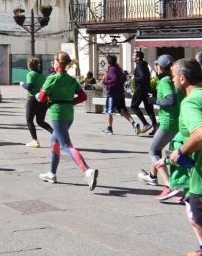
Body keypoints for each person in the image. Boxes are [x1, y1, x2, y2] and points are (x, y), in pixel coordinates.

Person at [169, 58, 202, 256]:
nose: (172, 80)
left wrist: (181, 151)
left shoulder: (191, 101)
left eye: (173, 76)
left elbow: (201, 134)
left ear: (182, 79)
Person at [36, 50, 98, 190]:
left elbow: (41, 98)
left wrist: (37, 95)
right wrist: (69, 103)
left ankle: (87, 171)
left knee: (66, 146)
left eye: (54, 60)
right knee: (54, 141)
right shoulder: (71, 80)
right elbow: (83, 97)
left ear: (58, 63)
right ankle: (51, 173)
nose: (53, 62)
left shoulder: (52, 78)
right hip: (69, 114)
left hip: (57, 114)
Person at [138, 54, 181, 200]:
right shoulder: (173, 79)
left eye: (156, 65)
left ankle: (169, 184)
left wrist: (154, 100)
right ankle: (152, 176)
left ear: (160, 67)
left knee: (153, 151)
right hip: (176, 122)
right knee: (160, 149)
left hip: (168, 122)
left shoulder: (164, 81)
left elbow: (170, 100)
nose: (155, 67)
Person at [100, 55, 142, 135]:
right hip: (120, 94)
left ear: (108, 62)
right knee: (122, 111)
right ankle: (134, 124)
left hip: (112, 94)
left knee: (109, 111)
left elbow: (113, 79)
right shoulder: (118, 69)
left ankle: (109, 128)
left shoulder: (112, 70)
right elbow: (122, 78)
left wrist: (105, 82)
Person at [23, 57, 53, 148]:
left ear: (29, 65)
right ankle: (56, 134)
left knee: (29, 120)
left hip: (32, 100)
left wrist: (22, 85)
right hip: (42, 100)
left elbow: (30, 87)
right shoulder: (42, 75)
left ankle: (35, 141)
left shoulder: (30, 74)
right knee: (40, 121)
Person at [131, 51, 158, 134]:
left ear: (138, 57)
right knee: (149, 109)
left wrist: (134, 77)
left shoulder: (139, 65)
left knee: (134, 106)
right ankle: (155, 128)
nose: (132, 57)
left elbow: (142, 77)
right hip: (147, 89)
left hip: (140, 89)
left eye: (134, 56)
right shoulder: (144, 65)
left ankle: (145, 124)